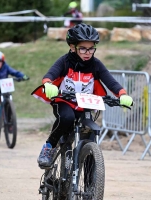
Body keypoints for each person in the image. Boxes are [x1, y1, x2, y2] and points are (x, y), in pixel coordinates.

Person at [32, 23, 133, 169]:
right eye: (83, 48)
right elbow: (50, 75)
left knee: (90, 132)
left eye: (91, 48)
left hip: (85, 105)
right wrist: (48, 84)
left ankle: (90, 183)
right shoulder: (65, 61)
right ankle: (49, 146)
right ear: (73, 47)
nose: (88, 52)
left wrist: (122, 94)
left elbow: (111, 82)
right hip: (64, 102)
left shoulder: (96, 65)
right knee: (67, 118)